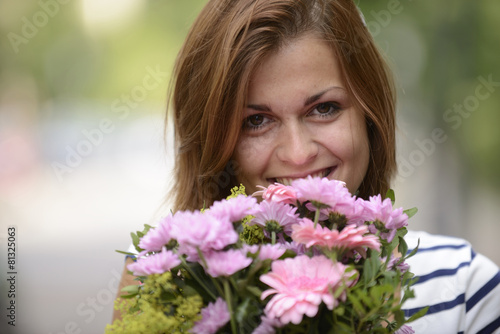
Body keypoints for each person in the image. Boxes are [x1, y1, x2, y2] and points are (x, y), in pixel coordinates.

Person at [114, 0, 500, 332]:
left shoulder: (465, 292)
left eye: (324, 109)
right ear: (213, 144)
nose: (298, 155)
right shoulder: (163, 289)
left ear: (370, 115)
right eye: (256, 121)